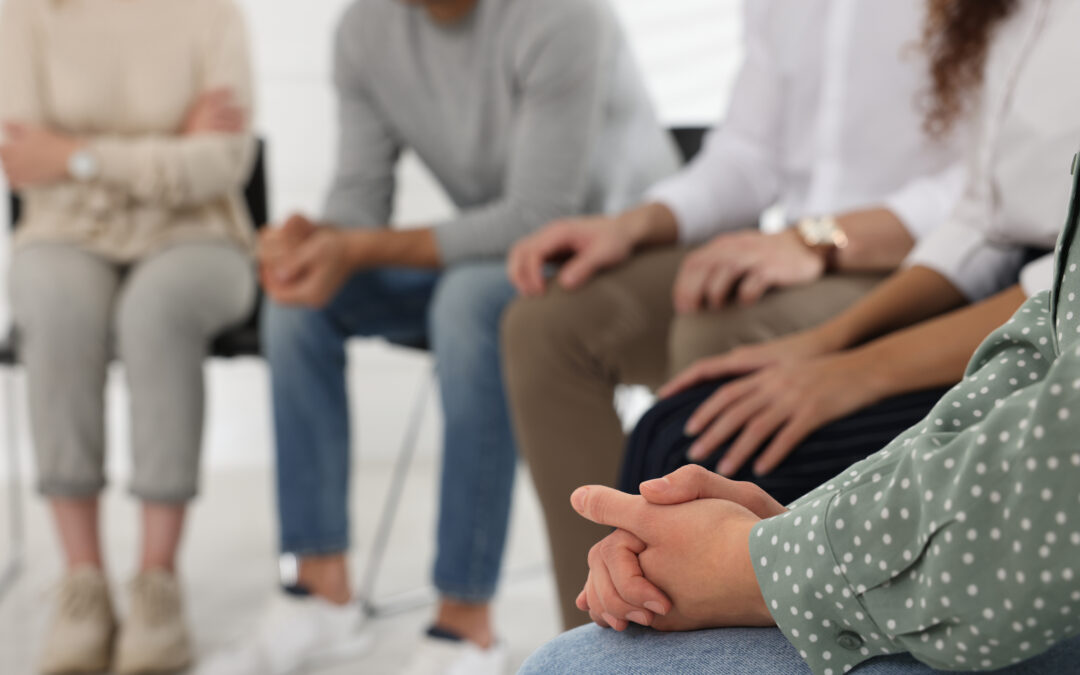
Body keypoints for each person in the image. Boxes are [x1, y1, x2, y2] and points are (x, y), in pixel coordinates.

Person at [196, 0, 678, 673]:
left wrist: (353, 243)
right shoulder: (366, 31)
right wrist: (316, 244)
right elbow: (359, 200)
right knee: (302, 301)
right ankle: (320, 590)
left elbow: (540, 214)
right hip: (503, 255)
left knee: (468, 301)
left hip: (613, 258)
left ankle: (466, 621)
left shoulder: (563, 16)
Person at [501, 0, 965, 628]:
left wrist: (817, 240)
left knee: (719, 327)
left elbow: (993, 186)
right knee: (546, 327)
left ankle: (712, 626)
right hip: (792, 248)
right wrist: (635, 223)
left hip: (925, 265)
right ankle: (596, 634)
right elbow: (746, 156)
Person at [618, 0, 1077, 516]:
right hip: (1009, 293)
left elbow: (1063, 295)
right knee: (666, 426)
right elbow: (980, 222)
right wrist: (824, 345)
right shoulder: (1012, 15)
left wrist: (854, 372)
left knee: (698, 449)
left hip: (1060, 355)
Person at [0, 0, 257, 673]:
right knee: (54, 306)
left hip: (199, 237)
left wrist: (77, 157)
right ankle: (82, 585)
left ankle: (156, 587)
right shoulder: (25, 13)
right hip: (63, 235)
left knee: (156, 311)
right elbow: (20, 158)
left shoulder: (213, 13)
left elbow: (225, 159)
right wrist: (168, 145)